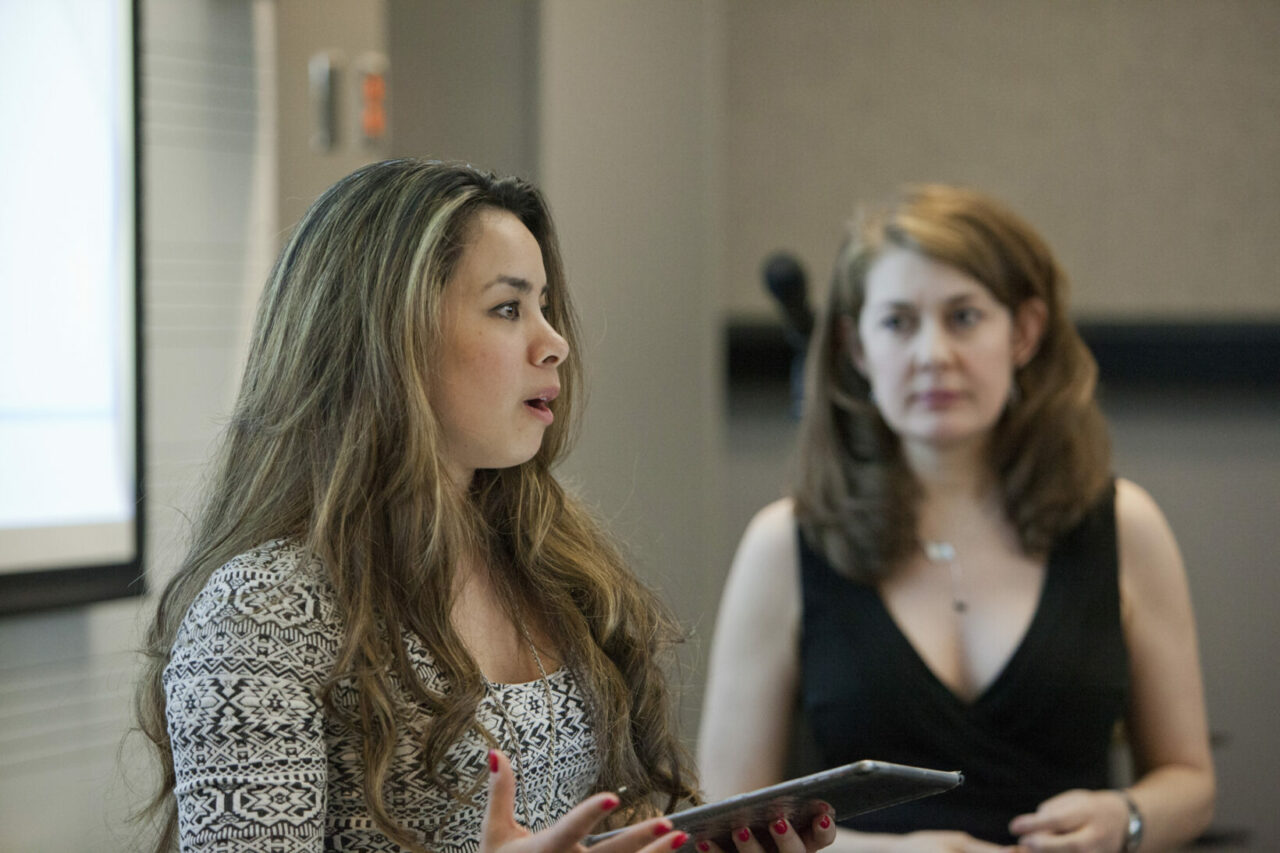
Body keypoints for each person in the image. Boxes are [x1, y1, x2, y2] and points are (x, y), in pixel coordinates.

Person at [133, 159, 839, 853]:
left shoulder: (554, 564)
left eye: (544, 307)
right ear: (391, 337)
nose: (555, 342)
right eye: (508, 308)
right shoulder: (265, 607)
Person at [698, 185, 1215, 852]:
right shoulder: (784, 543)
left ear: (1024, 332)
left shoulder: (1126, 525)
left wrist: (1127, 817)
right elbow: (723, 818)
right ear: (857, 348)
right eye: (898, 322)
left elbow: (1191, 781)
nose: (933, 353)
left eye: (964, 317)